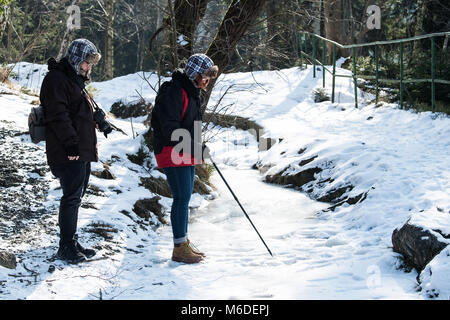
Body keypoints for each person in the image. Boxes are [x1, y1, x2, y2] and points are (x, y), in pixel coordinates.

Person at [151, 53, 218, 264]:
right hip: (171, 149)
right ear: (194, 74)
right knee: (181, 198)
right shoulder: (174, 91)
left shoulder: (193, 91)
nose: (206, 81)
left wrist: (199, 146)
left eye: (208, 77)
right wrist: (193, 145)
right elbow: (169, 127)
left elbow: (192, 126)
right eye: (204, 76)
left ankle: (184, 242)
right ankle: (179, 248)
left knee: (185, 198)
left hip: (184, 149)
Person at [39, 39, 101, 264]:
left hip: (80, 149)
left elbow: (77, 112)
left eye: (90, 64)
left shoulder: (73, 80)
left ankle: (71, 240)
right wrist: (71, 143)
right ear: (76, 60)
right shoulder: (56, 79)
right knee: (71, 196)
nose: (88, 67)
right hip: (67, 149)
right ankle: (65, 246)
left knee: (77, 196)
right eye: (86, 62)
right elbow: (58, 115)